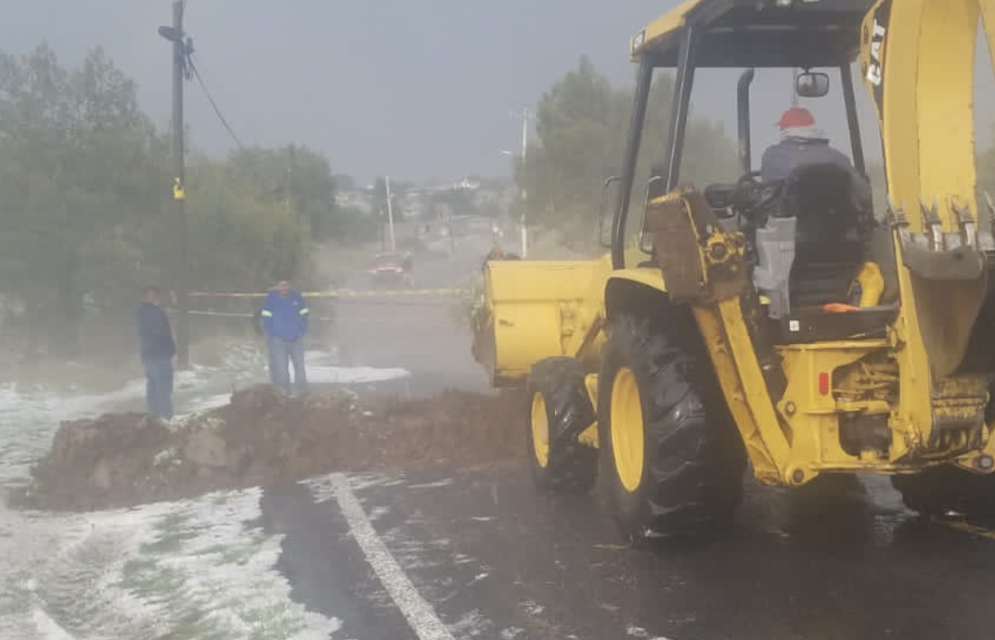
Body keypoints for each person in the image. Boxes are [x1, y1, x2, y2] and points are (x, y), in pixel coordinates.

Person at [760, 107, 872, 208]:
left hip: (791, 229)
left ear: (785, 130)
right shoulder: (838, 158)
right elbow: (864, 195)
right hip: (840, 227)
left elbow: (766, 198)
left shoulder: (772, 156)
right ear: (812, 128)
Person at [261, 277, 309, 395]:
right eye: (281, 285)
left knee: (300, 366)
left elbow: (304, 314)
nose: (284, 288)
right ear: (277, 286)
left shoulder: (297, 297)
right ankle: (284, 392)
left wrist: (302, 330)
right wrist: (272, 334)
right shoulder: (270, 299)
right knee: (281, 368)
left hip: (296, 339)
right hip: (278, 340)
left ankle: (302, 391)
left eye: (286, 285)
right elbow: (266, 317)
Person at [136, 285, 176, 421]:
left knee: (152, 385)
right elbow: (159, 333)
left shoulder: (141, 311)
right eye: (156, 295)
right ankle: (167, 418)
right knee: (163, 386)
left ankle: (154, 417)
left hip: (148, 355)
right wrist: (169, 349)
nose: (159, 298)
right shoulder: (154, 312)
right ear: (150, 296)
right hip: (159, 354)